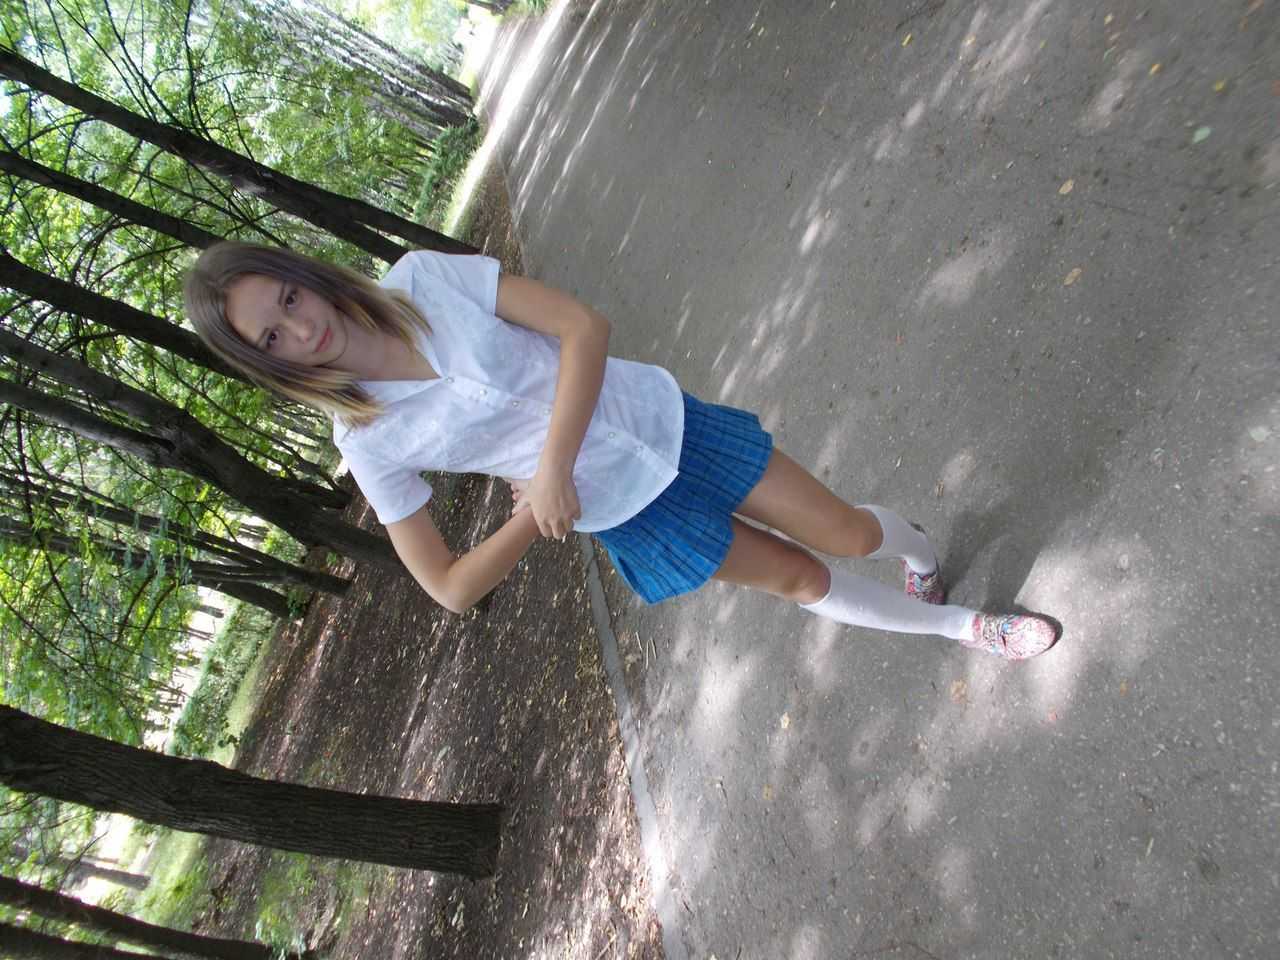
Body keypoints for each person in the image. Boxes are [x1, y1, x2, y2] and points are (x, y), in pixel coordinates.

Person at [185, 243, 1058, 660]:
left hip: (665, 421)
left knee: (848, 535)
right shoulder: (365, 441)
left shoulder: (423, 280)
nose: (302, 327)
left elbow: (582, 326)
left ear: (304, 276)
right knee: (800, 581)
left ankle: (918, 554)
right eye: (273, 337)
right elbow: (449, 586)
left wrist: (550, 466)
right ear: (269, 363)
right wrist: (535, 513)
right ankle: (964, 628)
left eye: (289, 298)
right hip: (622, 512)